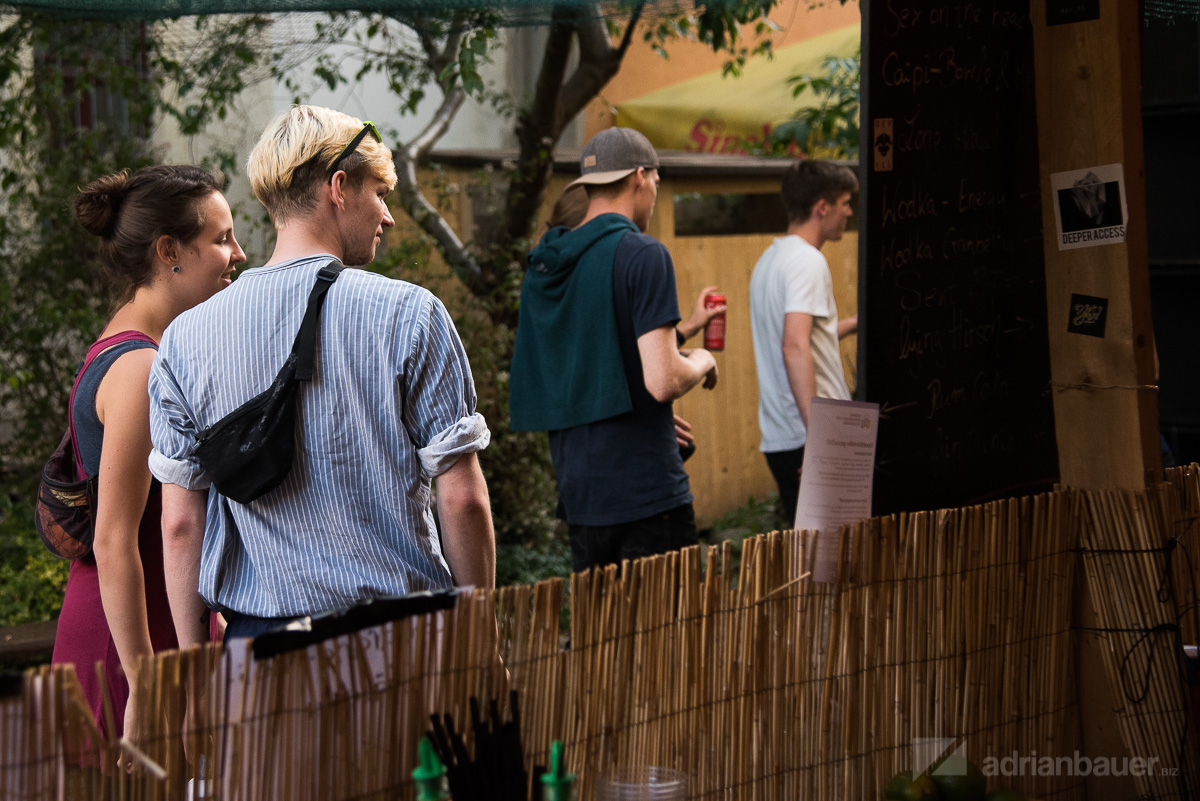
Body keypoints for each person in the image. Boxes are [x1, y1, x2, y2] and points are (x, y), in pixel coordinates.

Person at [147, 106, 495, 645]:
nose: (388, 216)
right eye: (380, 193)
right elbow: (463, 500)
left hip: (264, 651)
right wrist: (480, 639)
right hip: (398, 643)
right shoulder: (411, 315)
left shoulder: (183, 341)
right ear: (340, 188)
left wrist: (196, 666)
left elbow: (179, 525)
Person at [51, 165, 246, 742]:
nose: (237, 254)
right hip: (128, 646)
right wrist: (143, 683)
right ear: (169, 252)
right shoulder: (139, 367)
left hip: (153, 629)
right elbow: (113, 540)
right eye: (221, 238)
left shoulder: (139, 348)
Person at [510, 127, 718, 572]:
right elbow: (663, 380)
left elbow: (587, 360)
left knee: (602, 621)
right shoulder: (642, 254)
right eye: (657, 182)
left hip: (582, 502)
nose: (655, 193)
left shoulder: (545, 268)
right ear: (640, 177)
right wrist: (703, 359)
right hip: (647, 495)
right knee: (668, 621)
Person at [543, 183, 725, 461]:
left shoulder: (554, 283)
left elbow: (617, 355)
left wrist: (689, 327)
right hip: (622, 461)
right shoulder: (592, 281)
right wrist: (703, 359)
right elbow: (648, 376)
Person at [749, 160, 859, 525]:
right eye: (845, 202)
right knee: (838, 552)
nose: (850, 212)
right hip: (810, 436)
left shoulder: (770, 260)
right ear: (822, 207)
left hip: (782, 437)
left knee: (811, 551)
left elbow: (804, 338)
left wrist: (854, 324)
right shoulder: (807, 261)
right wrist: (819, 438)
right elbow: (794, 346)